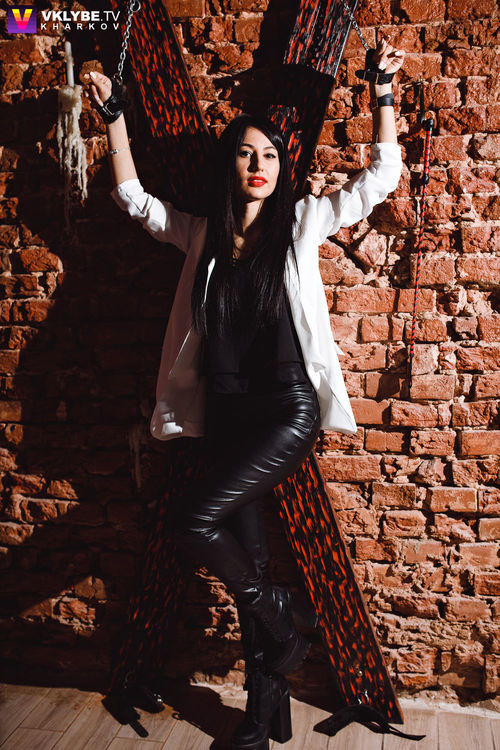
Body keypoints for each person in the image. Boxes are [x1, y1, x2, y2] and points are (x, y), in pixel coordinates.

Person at [83, 37, 404, 750]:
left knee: (193, 520)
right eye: (245, 153)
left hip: (286, 411)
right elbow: (134, 200)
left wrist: (381, 93)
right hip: (226, 416)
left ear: (282, 167)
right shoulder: (201, 236)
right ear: (229, 164)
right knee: (251, 568)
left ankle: (281, 619)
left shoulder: (302, 222)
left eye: (269, 155)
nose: (258, 164)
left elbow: (381, 177)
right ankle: (263, 714)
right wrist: (114, 117)